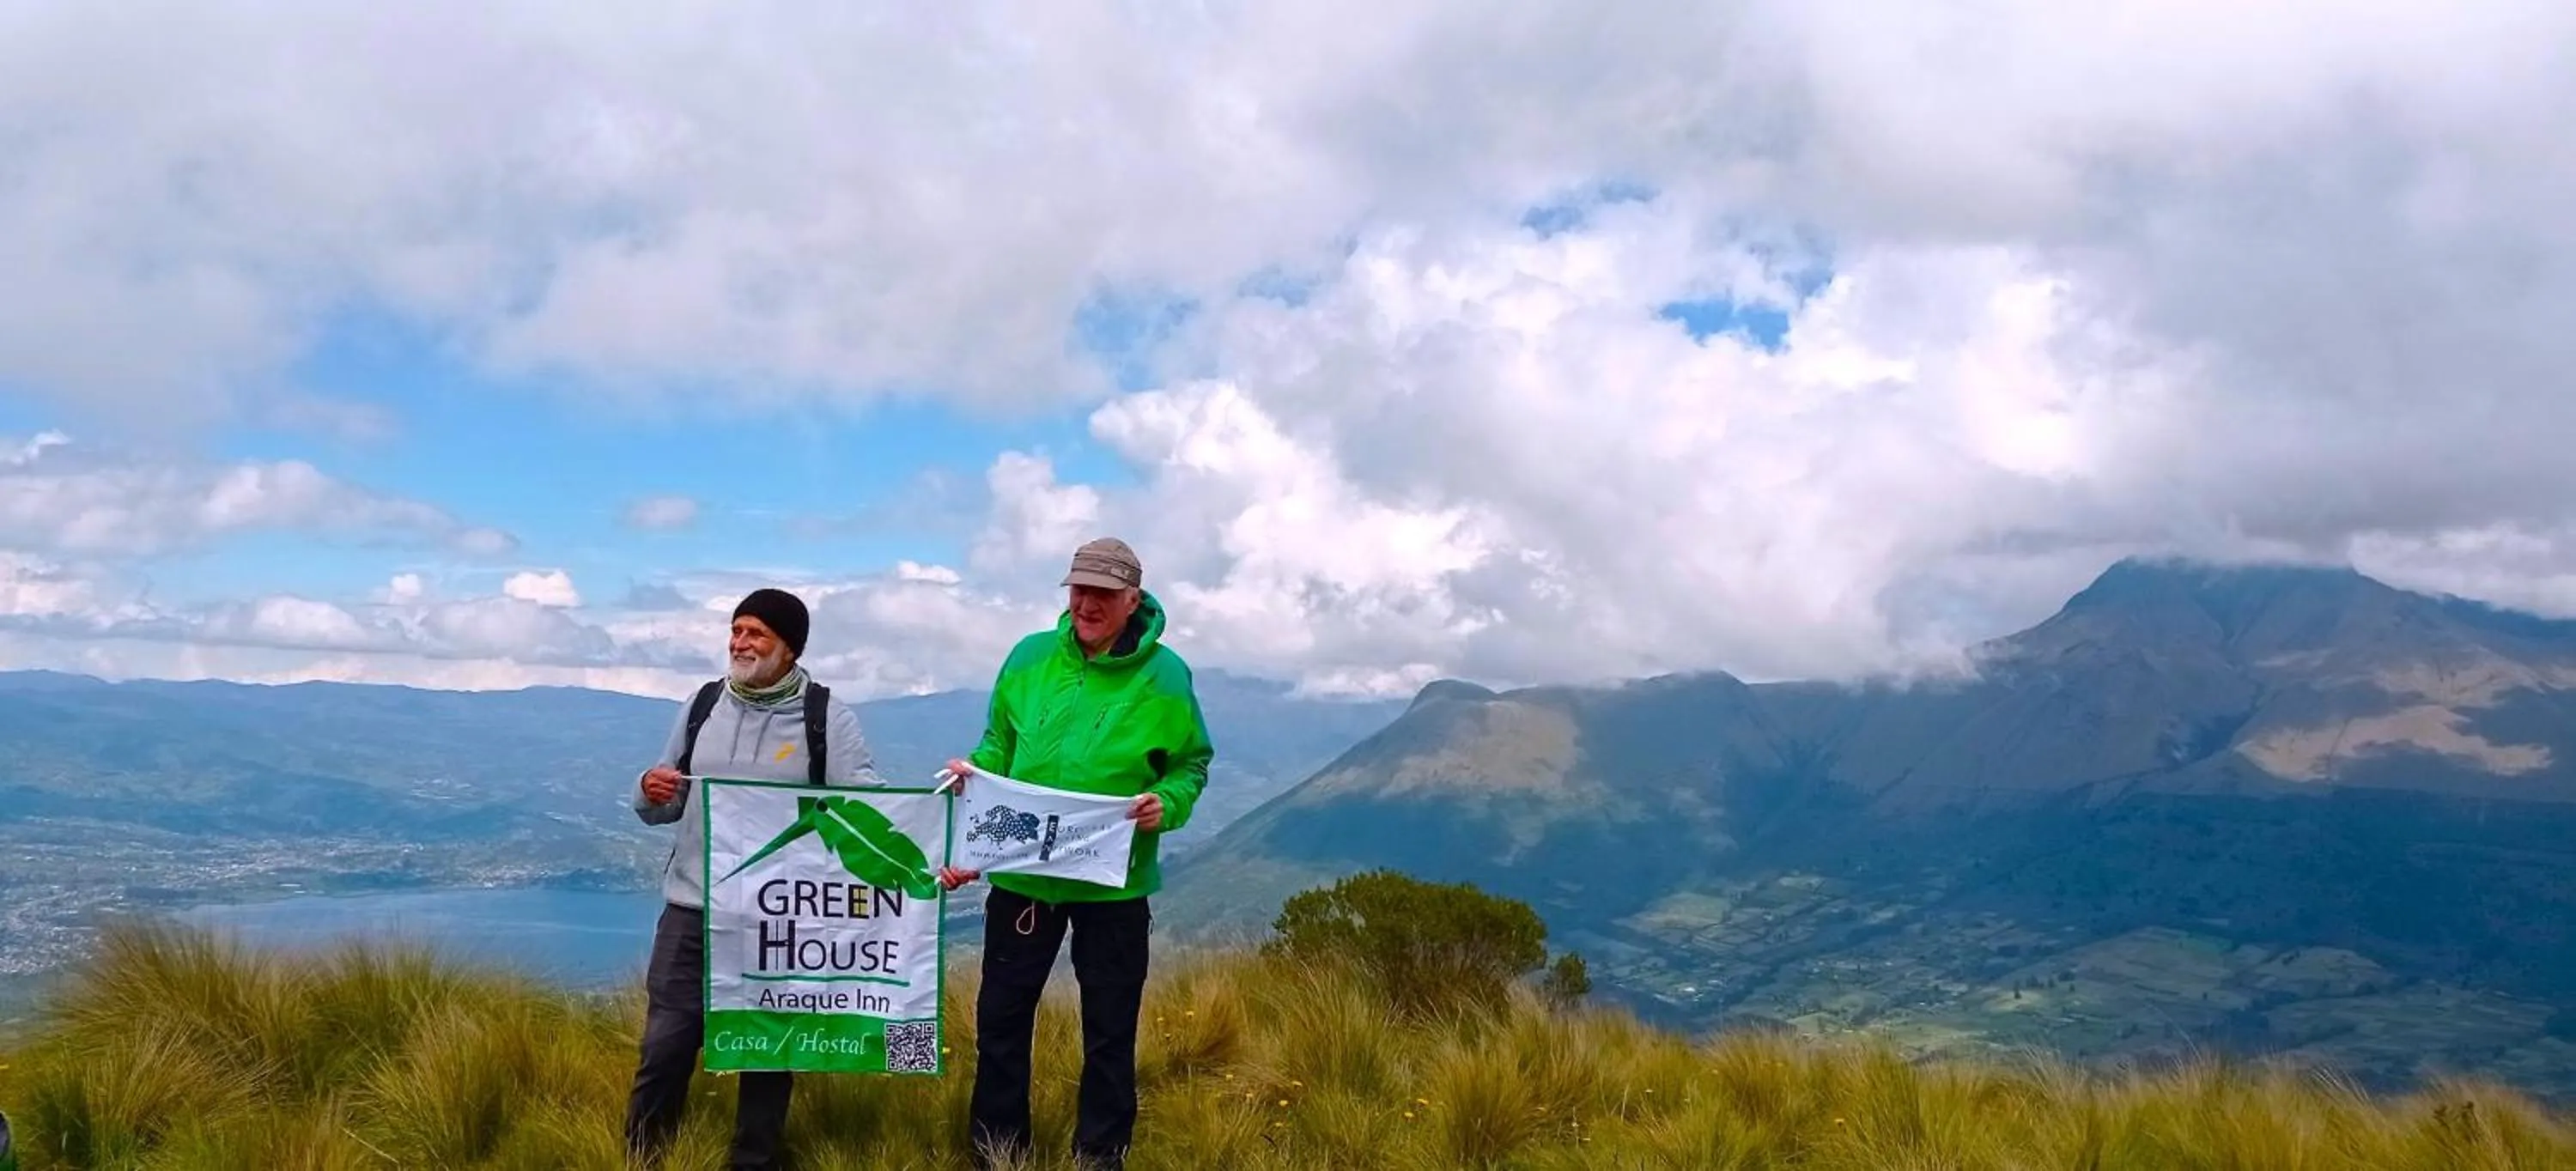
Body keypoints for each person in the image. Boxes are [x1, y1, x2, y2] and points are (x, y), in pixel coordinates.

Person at [936, 537, 1214, 1171]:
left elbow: (1191, 764)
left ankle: (1099, 1157)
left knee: (1110, 1032)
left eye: (1103, 594)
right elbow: (996, 747)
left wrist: (1164, 806)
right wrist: (973, 778)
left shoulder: (1166, 674)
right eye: (1079, 589)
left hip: (1115, 884)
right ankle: (998, 1154)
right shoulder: (1029, 657)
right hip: (1025, 880)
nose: (1087, 604)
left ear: (1132, 600)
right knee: (1001, 1021)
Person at [623, 587, 885, 1171]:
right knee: (665, 1045)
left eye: (756, 634)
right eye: (737, 630)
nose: (740, 643)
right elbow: (661, 800)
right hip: (692, 906)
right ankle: (644, 1157)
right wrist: (648, 788)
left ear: (789, 648)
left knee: (767, 1049)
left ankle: (754, 1160)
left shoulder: (826, 717)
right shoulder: (702, 704)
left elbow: (865, 809)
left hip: (777, 916)